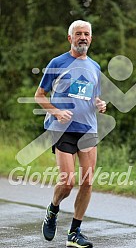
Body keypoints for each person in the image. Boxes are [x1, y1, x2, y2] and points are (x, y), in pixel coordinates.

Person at [35, 20, 106, 248]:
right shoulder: (58, 63)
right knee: (67, 183)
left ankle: (74, 233)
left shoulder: (95, 67)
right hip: (62, 129)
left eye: (86, 34)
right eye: (78, 34)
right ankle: (53, 209)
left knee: (87, 182)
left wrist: (100, 103)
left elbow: (91, 96)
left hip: (88, 129)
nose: (83, 37)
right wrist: (56, 112)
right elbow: (39, 95)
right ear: (70, 38)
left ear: (91, 38)